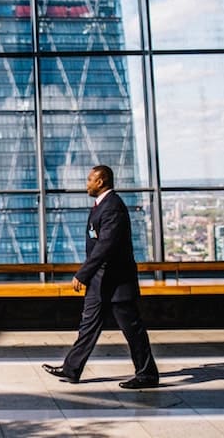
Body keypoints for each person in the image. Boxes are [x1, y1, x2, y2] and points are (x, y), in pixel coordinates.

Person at [42, 165, 159, 389]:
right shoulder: (102, 206)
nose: (86, 184)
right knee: (88, 325)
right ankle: (71, 368)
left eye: (89, 180)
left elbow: (106, 246)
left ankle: (147, 374)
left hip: (117, 282)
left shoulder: (112, 207)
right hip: (100, 281)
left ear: (101, 181)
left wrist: (83, 273)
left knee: (132, 329)